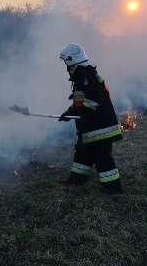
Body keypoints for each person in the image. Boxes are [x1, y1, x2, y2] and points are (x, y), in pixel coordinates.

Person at [58, 43, 123, 194]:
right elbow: (81, 103)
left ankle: (113, 188)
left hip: (100, 128)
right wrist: (69, 112)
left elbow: (91, 103)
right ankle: (77, 179)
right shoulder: (82, 76)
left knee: (102, 157)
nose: (67, 68)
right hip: (91, 127)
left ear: (71, 60)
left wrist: (72, 113)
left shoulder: (86, 77)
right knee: (82, 151)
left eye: (67, 64)